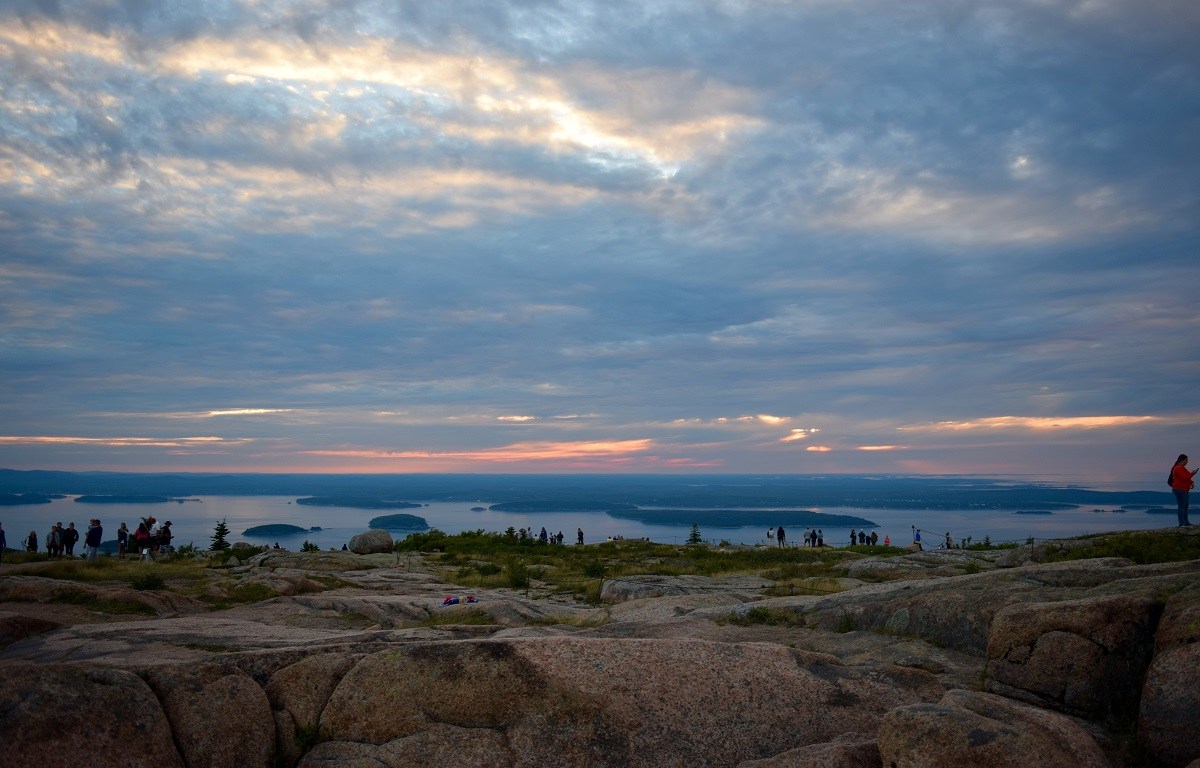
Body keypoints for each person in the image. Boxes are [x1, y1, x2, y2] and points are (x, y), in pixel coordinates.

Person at [1170, 454, 1198, 527]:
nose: (1187, 462)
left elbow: (1187, 478)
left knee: (1185, 506)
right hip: (1180, 489)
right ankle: (1182, 523)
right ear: (1181, 460)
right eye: (1186, 460)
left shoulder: (1183, 468)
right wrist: (1192, 473)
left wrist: (1191, 482)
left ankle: (1186, 522)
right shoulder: (1178, 468)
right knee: (1182, 506)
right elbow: (1184, 478)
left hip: (1184, 489)